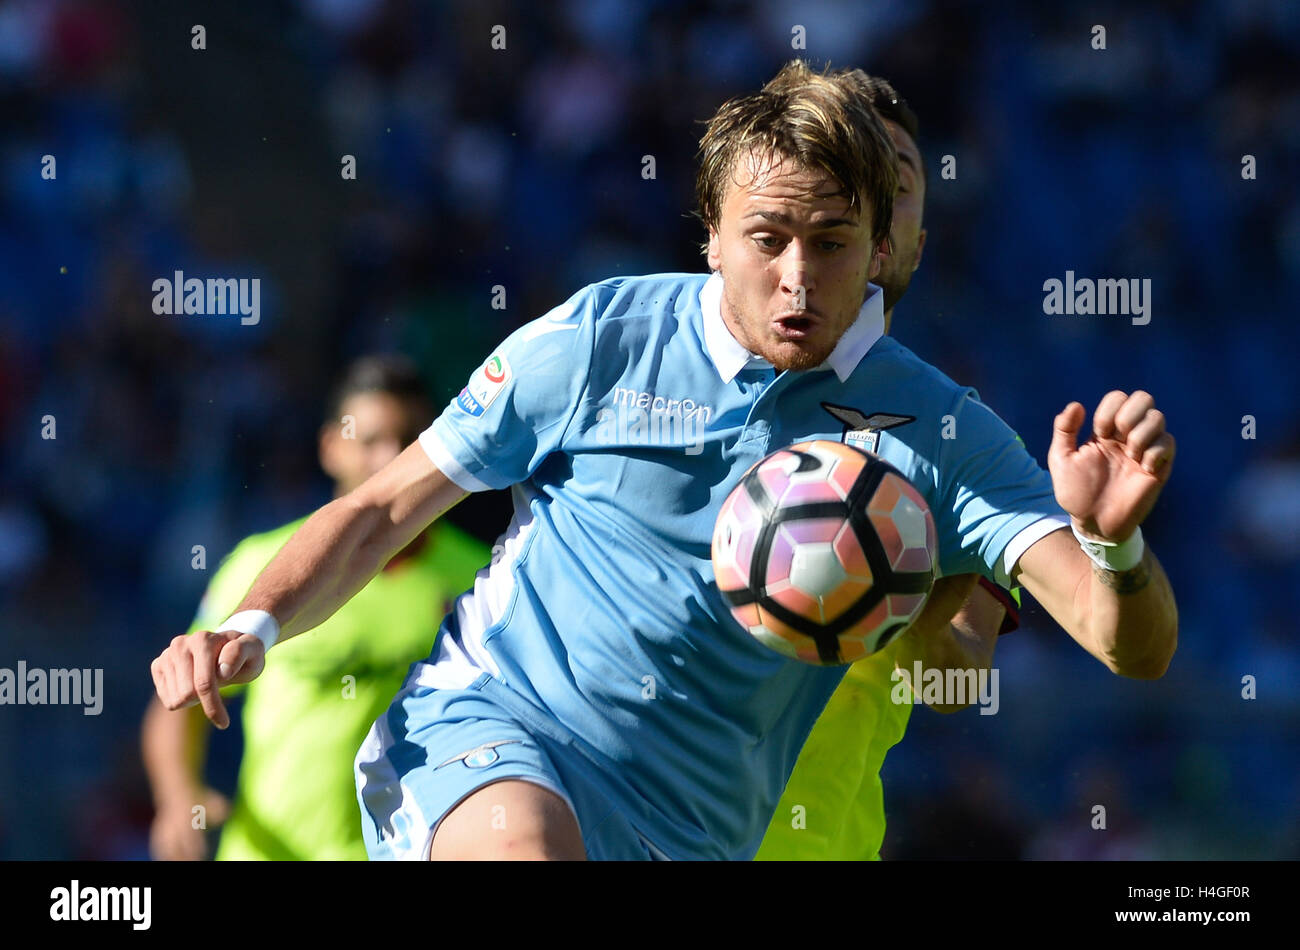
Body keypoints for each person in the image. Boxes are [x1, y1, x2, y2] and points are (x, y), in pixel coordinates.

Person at [150, 59, 1178, 861]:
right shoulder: (602, 335)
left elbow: (1121, 642)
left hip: (698, 826)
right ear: (711, 237)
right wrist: (252, 620)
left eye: (829, 241)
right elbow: (382, 509)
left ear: (880, 244)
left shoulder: (943, 433)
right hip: (496, 732)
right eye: (766, 236)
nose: (795, 277)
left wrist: (1112, 540)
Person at [755, 73, 1015, 862]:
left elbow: (957, 682)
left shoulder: (956, 440)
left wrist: (912, 575)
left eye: (892, 182)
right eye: (841, 175)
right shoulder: (668, 389)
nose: (865, 200)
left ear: (912, 236)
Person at [141, 356, 490, 860]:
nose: (390, 456)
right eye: (369, 440)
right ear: (330, 447)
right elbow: (182, 700)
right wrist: (176, 798)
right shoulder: (264, 567)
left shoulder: (483, 575)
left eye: (410, 438)